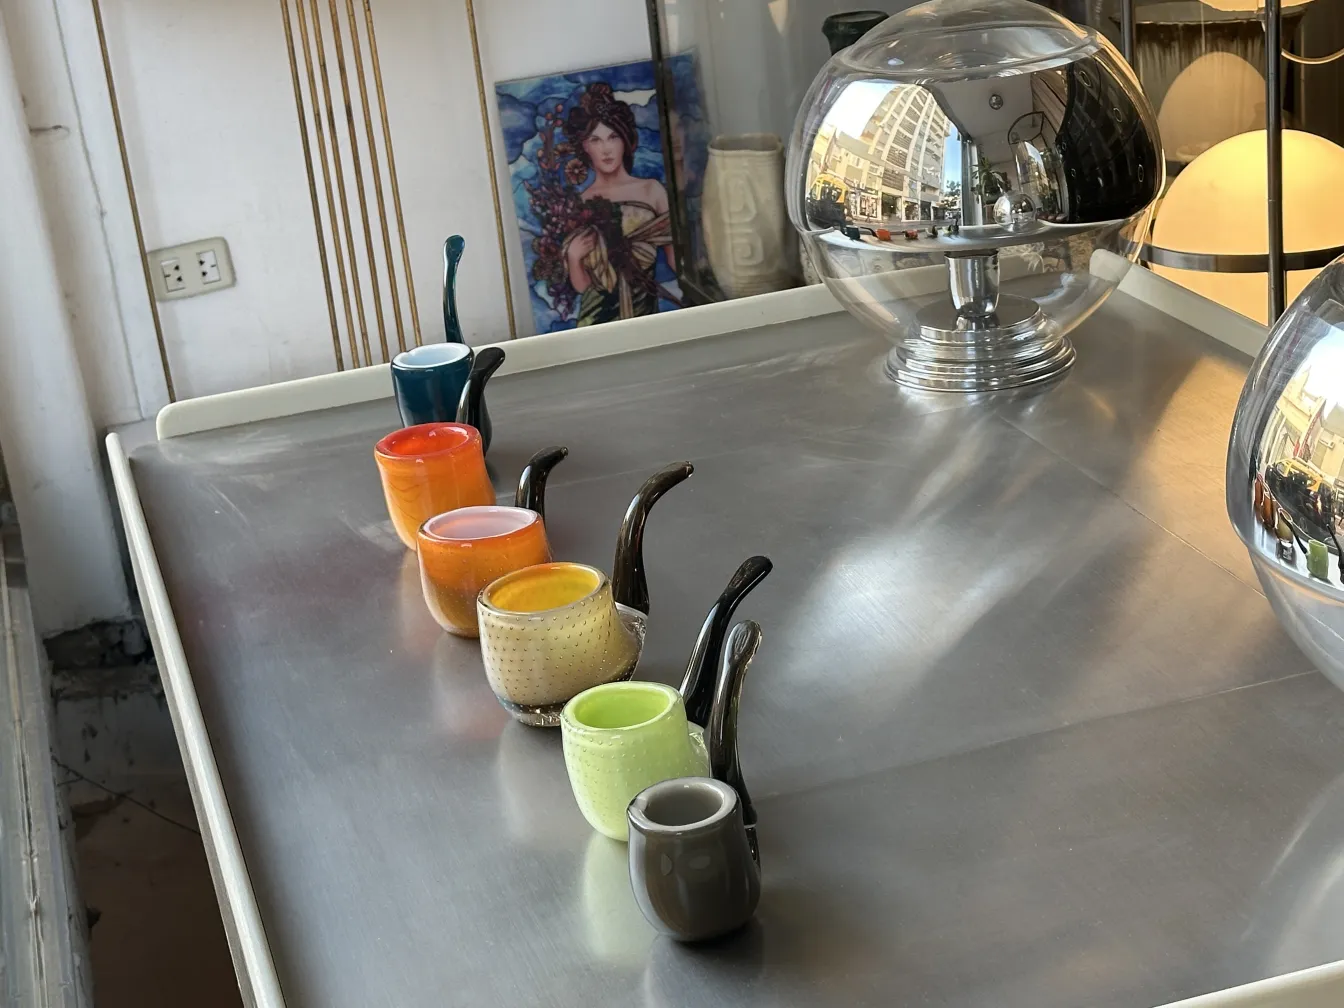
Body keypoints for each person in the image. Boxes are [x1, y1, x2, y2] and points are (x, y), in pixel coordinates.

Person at [561, 83, 674, 326]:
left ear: (625, 140)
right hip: (596, 322)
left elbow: (677, 262)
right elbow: (583, 287)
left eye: (613, 136)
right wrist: (573, 257)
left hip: (647, 317)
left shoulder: (651, 190)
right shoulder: (582, 203)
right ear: (585, 147)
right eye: (596, 139)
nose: (606, 149)